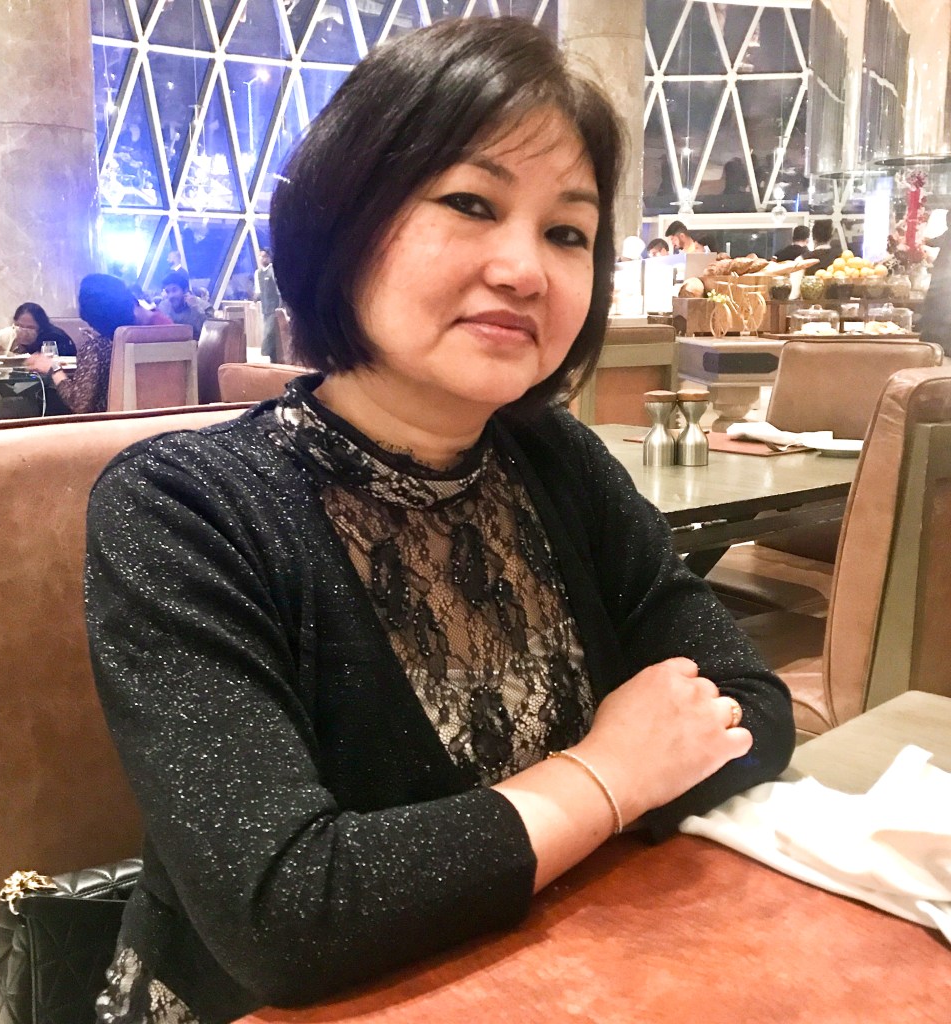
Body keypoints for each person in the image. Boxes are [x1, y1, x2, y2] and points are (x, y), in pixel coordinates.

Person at [86, 19, 794, 1024]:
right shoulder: (185, 508)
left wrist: (526, 830)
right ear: (346, 218)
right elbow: (286, 918)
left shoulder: (558, 463)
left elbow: (751, 709)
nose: (525, 269)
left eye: (567, 232)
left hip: (554, 972)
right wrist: (609, 775)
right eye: (471, 203)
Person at [26, 273, 136, 414]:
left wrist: (53, 368)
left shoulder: (95, 348)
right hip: (135, 419)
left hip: (101, 423)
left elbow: (79, 403)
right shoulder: (135, 339)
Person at [8, 302, 77, 356]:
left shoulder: (53, 337)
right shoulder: (12, 333)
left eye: (30, 327)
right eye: (20, 326)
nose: (24, 332)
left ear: (41, 327)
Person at [157, 269, 208, 339]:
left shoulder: (204, 307)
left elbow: (208, 333)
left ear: (185, 290)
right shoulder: (164, 306)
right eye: (167, 292)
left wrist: (195, 308)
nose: (170, 296)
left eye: (174, 290)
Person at [255, 247, 282, 359]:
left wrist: (280, 307)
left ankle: (267, 353)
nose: (262, 259)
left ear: (270, 258)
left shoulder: (273, 271)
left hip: (274, 308)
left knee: (269, 333)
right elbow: (259, 291)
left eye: (265, 256)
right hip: (265, 308)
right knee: (271, 334)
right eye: (260, 256)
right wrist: (254, 300)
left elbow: (278, 291)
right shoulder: (258, 273)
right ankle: (273, 357)